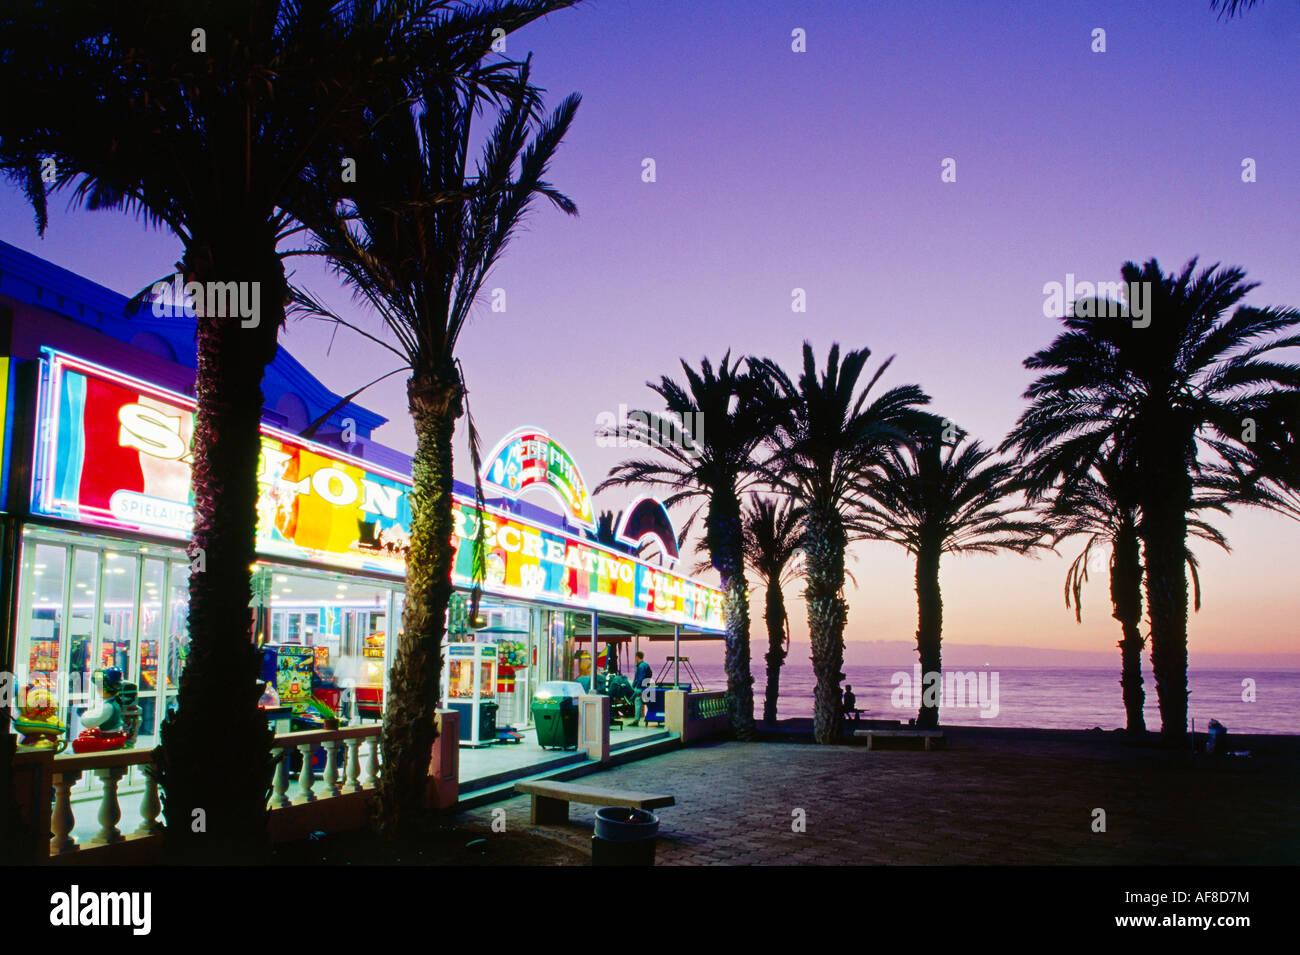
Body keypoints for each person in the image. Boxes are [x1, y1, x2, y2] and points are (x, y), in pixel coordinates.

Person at [630, 651, 653, 725]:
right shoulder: (646, 665)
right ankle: (648, 718)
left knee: (637, 703)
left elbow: (640, 678)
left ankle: (636, 720)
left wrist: (636, 686)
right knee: (648, 703)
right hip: (646, 687)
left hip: (640, 688)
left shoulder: (640, 666)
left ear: (637, 657)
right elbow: (650, 674)